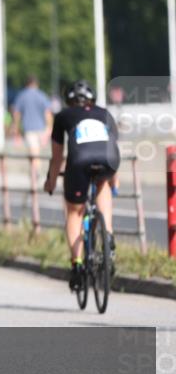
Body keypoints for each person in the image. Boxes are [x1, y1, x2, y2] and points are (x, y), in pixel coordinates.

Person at [43, 80, 120, 292]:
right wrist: (115, 183)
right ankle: (109, 235)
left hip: (79, 162)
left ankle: (76, 264)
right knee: (103, 182)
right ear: (92, 100)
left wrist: (50, 182)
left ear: (69, 102)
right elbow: (112, 147)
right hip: (108, 160)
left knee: (74, 212)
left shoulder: (63, 117)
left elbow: (57, 158)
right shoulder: (105, 113)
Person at [12, 75, 53, 155]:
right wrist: (49, 127)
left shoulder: (22, 96)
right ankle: (35, 167)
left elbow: (17, 114)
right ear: (37, 84)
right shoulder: (42, 95)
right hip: (42, 128)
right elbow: (48, 113)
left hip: (29, 128)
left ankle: (35, 167)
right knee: (37, 152)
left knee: (34, 152)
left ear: (27, 84)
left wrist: (16, 128)